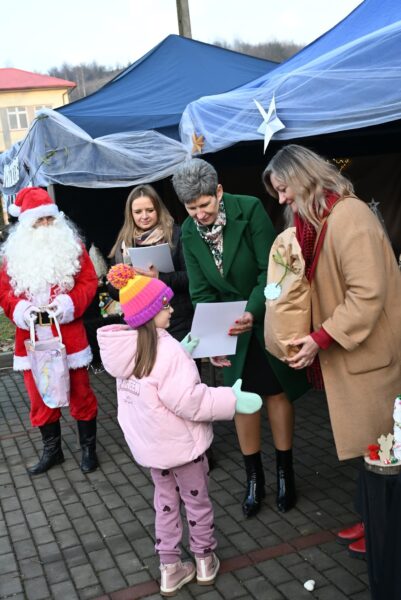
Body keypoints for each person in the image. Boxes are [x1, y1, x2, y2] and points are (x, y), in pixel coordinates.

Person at [263, 143, 401, 557]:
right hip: (356, 354)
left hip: (371, 357)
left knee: (384, 450)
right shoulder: (323, 219)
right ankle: (373, 518)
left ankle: (385, 532)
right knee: (371, 449)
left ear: (304, 178)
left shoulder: (349, 216)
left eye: (284, 189)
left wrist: (320, 338)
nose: (282, 200)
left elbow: (367, 294)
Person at [96, 263, 262, 596]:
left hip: (155, 450)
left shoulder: (129, 352)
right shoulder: (167, 350)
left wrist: (184, 350)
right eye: (165, 306)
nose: (172, 309)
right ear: (149, 313)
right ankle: (204, 559)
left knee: (165, 504)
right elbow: (190, 401)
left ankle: (170, 568)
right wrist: (231, 399)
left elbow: (153, 386)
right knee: (197, 503)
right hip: (183, 449)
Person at [171, 158, 309, 517]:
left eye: (204, 204)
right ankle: (254, 479)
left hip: (265, 315)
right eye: (191, 208)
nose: (199, 214)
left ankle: (285, 474)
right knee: (240, 399)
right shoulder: (189, 233)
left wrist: (252, 311)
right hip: (228, 327)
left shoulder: (249, 209)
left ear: (218, 192)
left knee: (277, 393)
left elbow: (270, 270)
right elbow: (201, 292)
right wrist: (211, 340)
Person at [0, 187, 99, 475]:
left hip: (69, 334)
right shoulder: (12, 256)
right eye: (38, 221)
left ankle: (88, 449)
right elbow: (5, 293)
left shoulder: (73, 248)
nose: (45, 226)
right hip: (30, 337)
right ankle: (52, 451)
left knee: (81, 392)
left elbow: (89, 282)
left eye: (49, 219)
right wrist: (21, 310)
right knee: (38, 395)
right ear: (26, 225)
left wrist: (68, 304)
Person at [108, 184, 193, 342]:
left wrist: (159, 277)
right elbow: (113, 292)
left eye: (150, 210)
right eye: (138, 212)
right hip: (142, 328)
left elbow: (192, 277)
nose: (144, 216)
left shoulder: (176, 235)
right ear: (130, 214)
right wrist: (126, 281)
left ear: (158, 210)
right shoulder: (124, 243)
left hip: (177, 320)